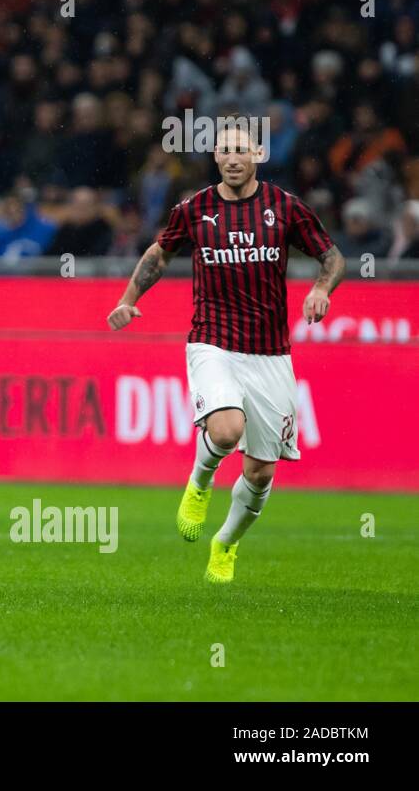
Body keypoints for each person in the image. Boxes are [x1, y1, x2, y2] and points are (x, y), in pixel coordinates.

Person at [107, 126, 344, 583]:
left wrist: (320, 288)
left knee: (259, 473)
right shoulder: (194, 209)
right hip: (213, 341)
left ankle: (225, 543)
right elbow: (159, 254)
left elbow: (333, 258)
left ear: (257, 153)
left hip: (271, 353)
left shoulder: (285, 207)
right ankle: (199, 481)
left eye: (241, 149)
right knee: (227, 427)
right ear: (215, 157)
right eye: (225, 150)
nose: (233, 157)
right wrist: (126, 299)